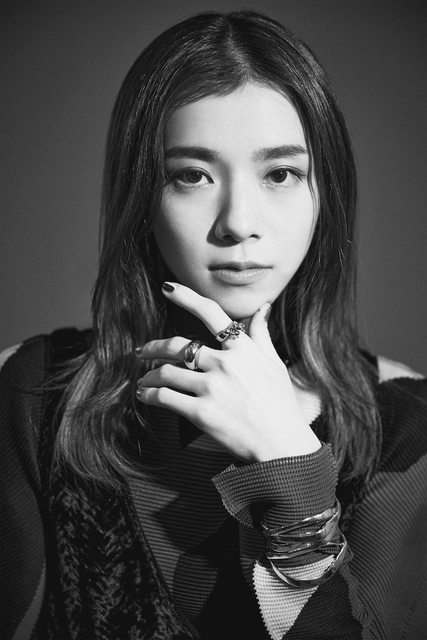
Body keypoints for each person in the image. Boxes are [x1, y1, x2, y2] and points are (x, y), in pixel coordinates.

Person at [1, 9, 426, 640]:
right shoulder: (28, 394)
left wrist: (292, 473)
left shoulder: (406, 422)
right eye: (192, 175)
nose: (237, 223)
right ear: (142, 194)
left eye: (280, 173)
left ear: (325, 192)